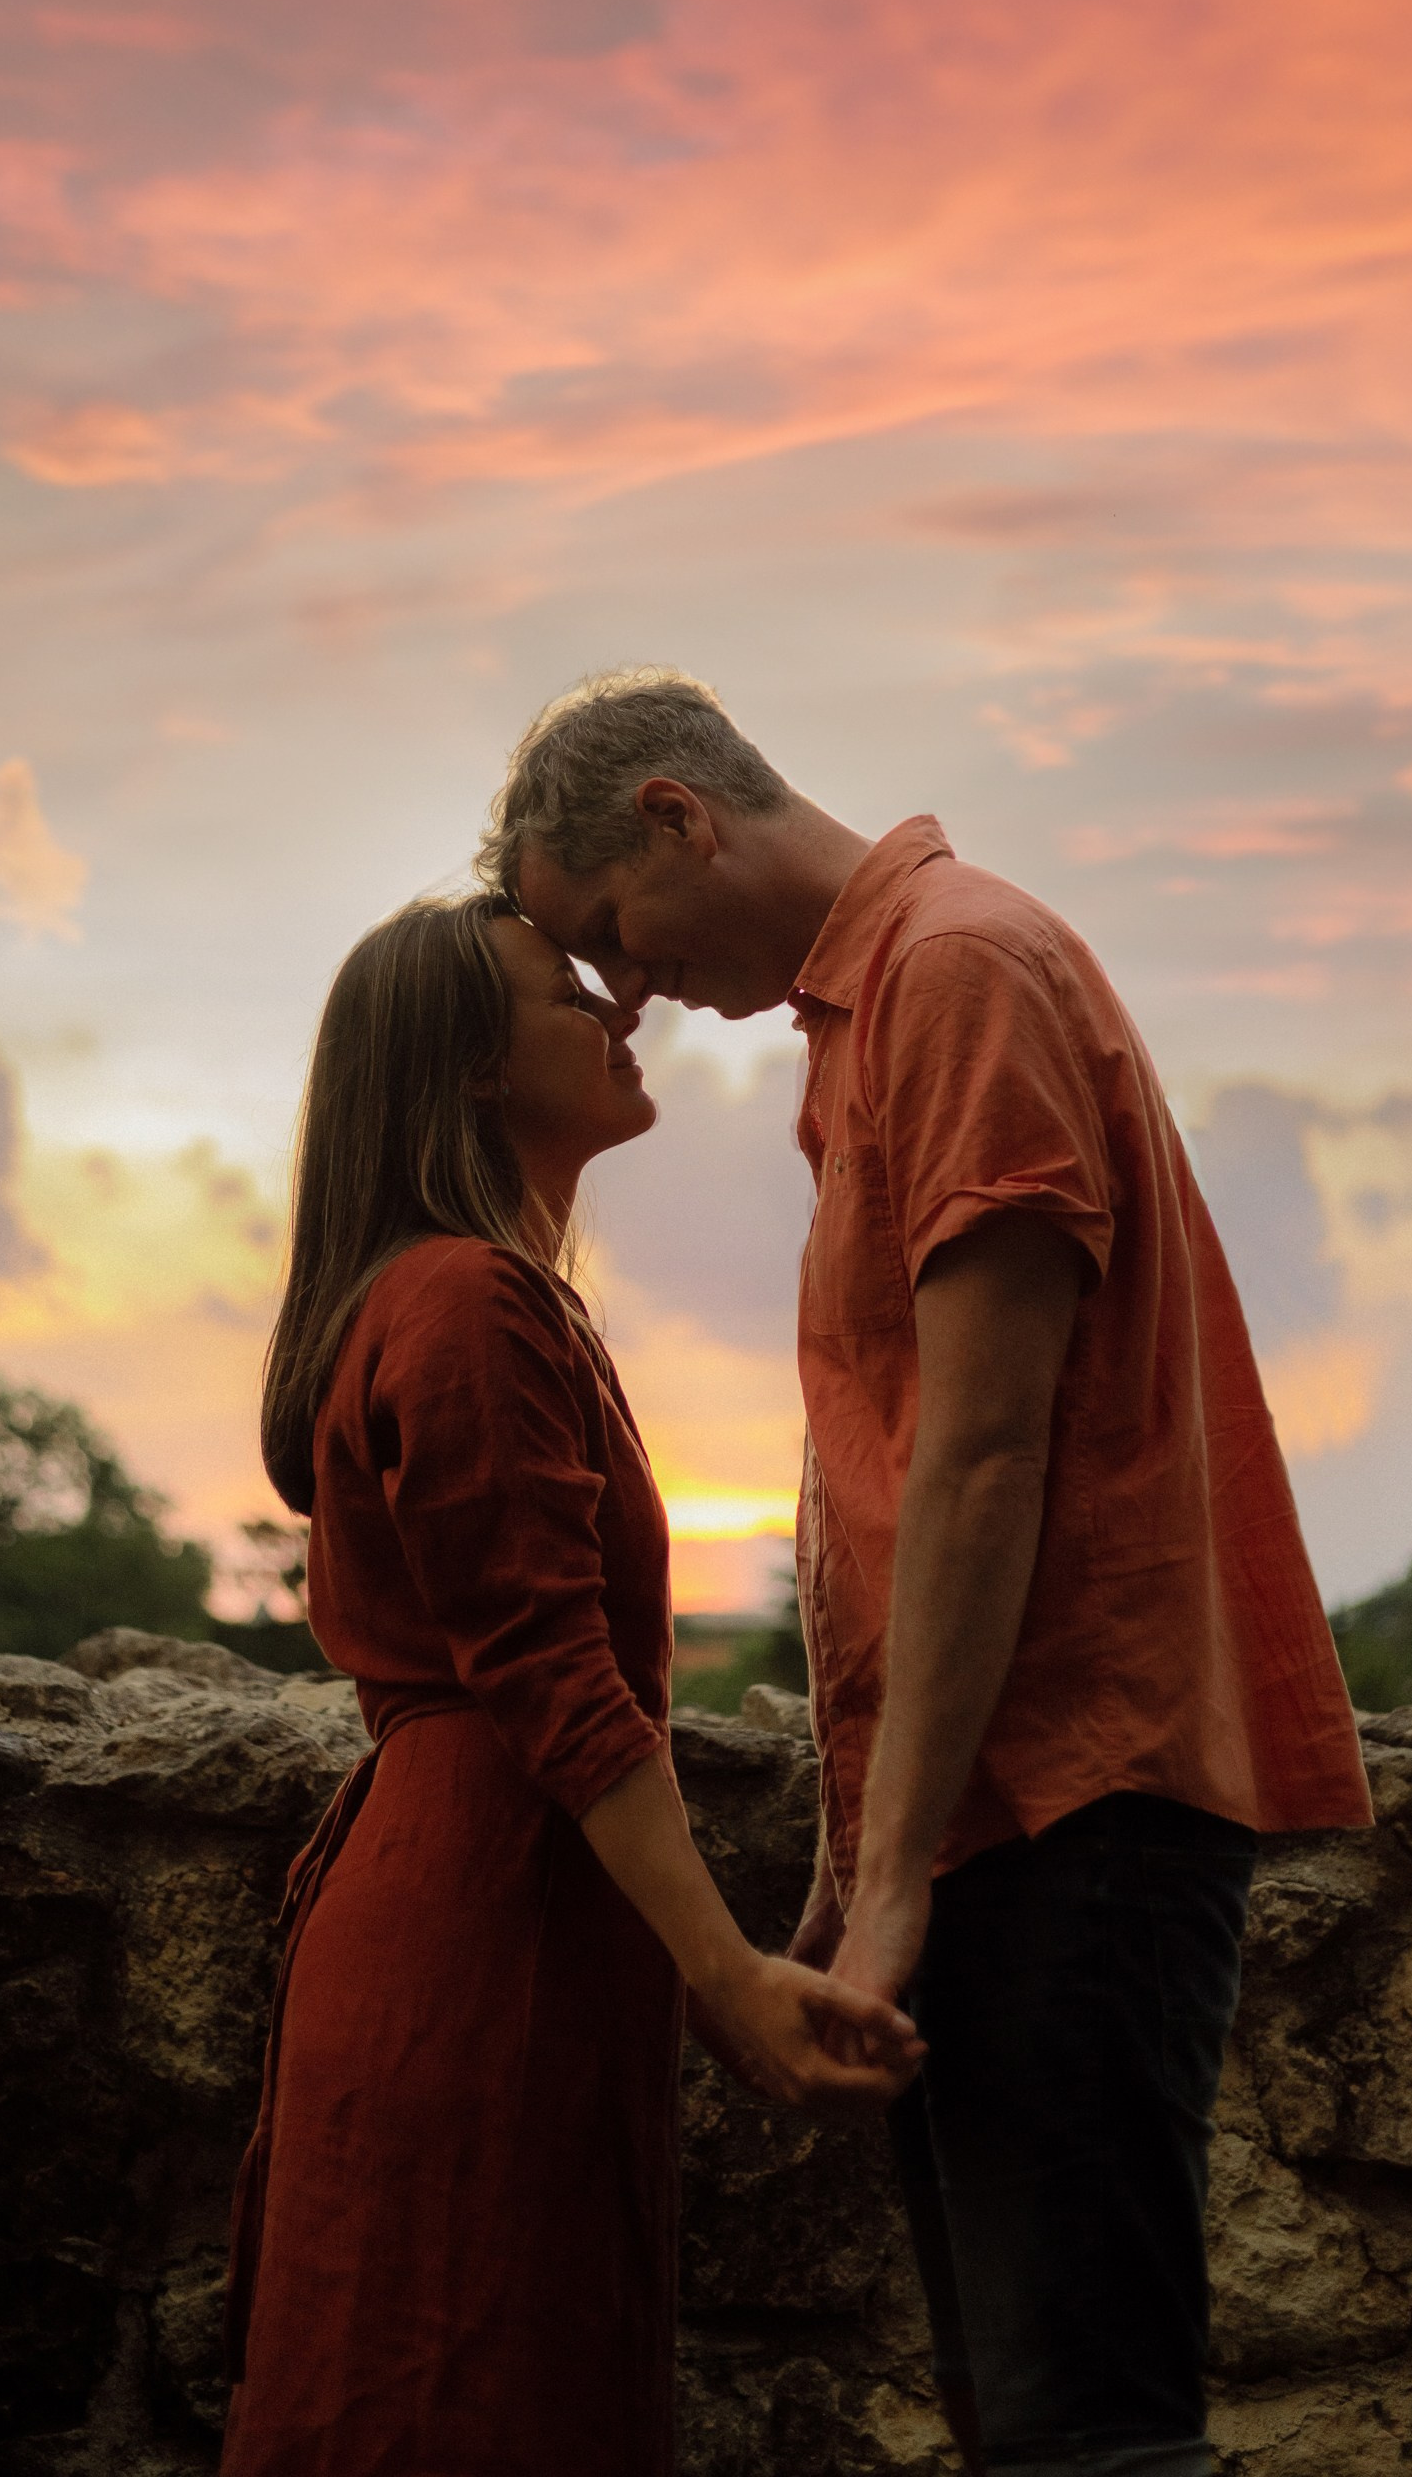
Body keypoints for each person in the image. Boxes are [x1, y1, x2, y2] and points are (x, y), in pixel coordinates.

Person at [483, 671, 1375, 2477]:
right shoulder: (885, 1005)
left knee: (1089, 2439)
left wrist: (889, 1892)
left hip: (1077, 1800)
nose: (632, 989)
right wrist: (868, 1861)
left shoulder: (958, 972)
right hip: (1014, 1810)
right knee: (1032, 2425)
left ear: (678, 816)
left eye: (614, 935)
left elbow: (983, 1458)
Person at [221, 891, 918, 2477]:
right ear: (470, 1068)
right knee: (458, 2394)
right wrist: (729, 1978)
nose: (623, 1011)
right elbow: (561, 1689)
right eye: (566, 994)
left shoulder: (482, 1293)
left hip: (504, 1901)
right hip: (485, 1919)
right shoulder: (462, 1302)